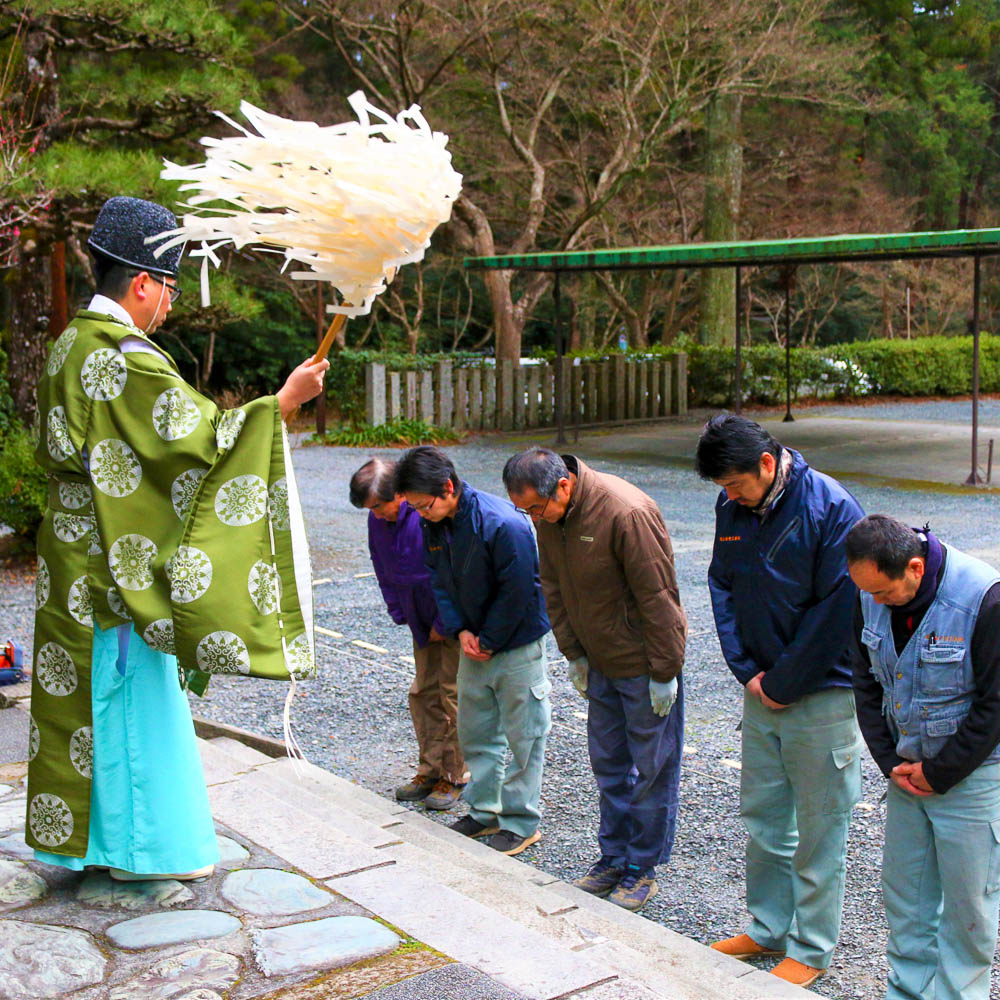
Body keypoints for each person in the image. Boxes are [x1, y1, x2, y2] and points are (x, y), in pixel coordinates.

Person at [28, 196, 328, 879]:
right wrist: (281, 404)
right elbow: (198, 446)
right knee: (127, 704)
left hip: (71, 555)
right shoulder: (124, 358)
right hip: (109, 569)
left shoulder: (70, 343)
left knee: (87, 702)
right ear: (140, 283)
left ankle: (83, 842)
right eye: (167, 286)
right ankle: (142, 850)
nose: (169, 301)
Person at [695, 413, 865, 988]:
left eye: (735, 484)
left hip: (821, 692)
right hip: (758, 688)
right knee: (764, 816)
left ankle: (813, 946)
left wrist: (783, 683)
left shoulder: (832, 508)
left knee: (821, 824)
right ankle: (768, 926)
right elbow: (721, 582)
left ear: (767, 464)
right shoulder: (733, 506)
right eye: (723, 488)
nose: (730, 495)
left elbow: (840, 609)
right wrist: (746, 670)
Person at [503, 448, 686, 912]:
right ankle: (614, 856)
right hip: (599, 663)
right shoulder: (549, 517)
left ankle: (641, 867)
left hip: (643, 666)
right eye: (525, 511)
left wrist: (664, 672)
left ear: (562, 485)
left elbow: (659, 596)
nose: (532, 518)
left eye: (535, 508)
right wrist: (574, 654)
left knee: (651, 770)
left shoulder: (627, 512)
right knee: (608, 765)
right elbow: (553, 587)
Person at [847, 514, 1000, 1000]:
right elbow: (865, 682)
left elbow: (997, 704)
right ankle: (906, 993)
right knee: (907, 901)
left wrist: (941, 772)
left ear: (915, 567)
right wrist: (888, 760)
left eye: (884, 593)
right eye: (866, 592)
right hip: (907, 777)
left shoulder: (985, 599)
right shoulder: (868, 592)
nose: (874, 603)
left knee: (968, 909)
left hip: (972, 779)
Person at [394, 445, 551, 856]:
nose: (420, 513)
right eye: (414, 507)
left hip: (516, 644)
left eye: (424, 504)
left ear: (448, 488)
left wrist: (489, 638)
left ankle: (520, 821)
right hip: (471, 641)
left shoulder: (502, 523)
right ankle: (485, 810)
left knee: (524, 736)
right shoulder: (434, 523)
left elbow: (520, 590)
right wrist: (460, 629)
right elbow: (439, 582)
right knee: (477, 731)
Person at [349, 458, 466, 810]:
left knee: (453, 693)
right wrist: (398, 611)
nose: (376, 514)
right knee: (423, 691)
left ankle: (455, 774)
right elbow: (380, 566)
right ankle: (429, 769)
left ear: (399, 495)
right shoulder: (377, 521)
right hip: (419, 621)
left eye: (378, 506)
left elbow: (452, 573)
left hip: (452, 619)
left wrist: (444, 624)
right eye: (369, 509)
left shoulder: (425, 513)